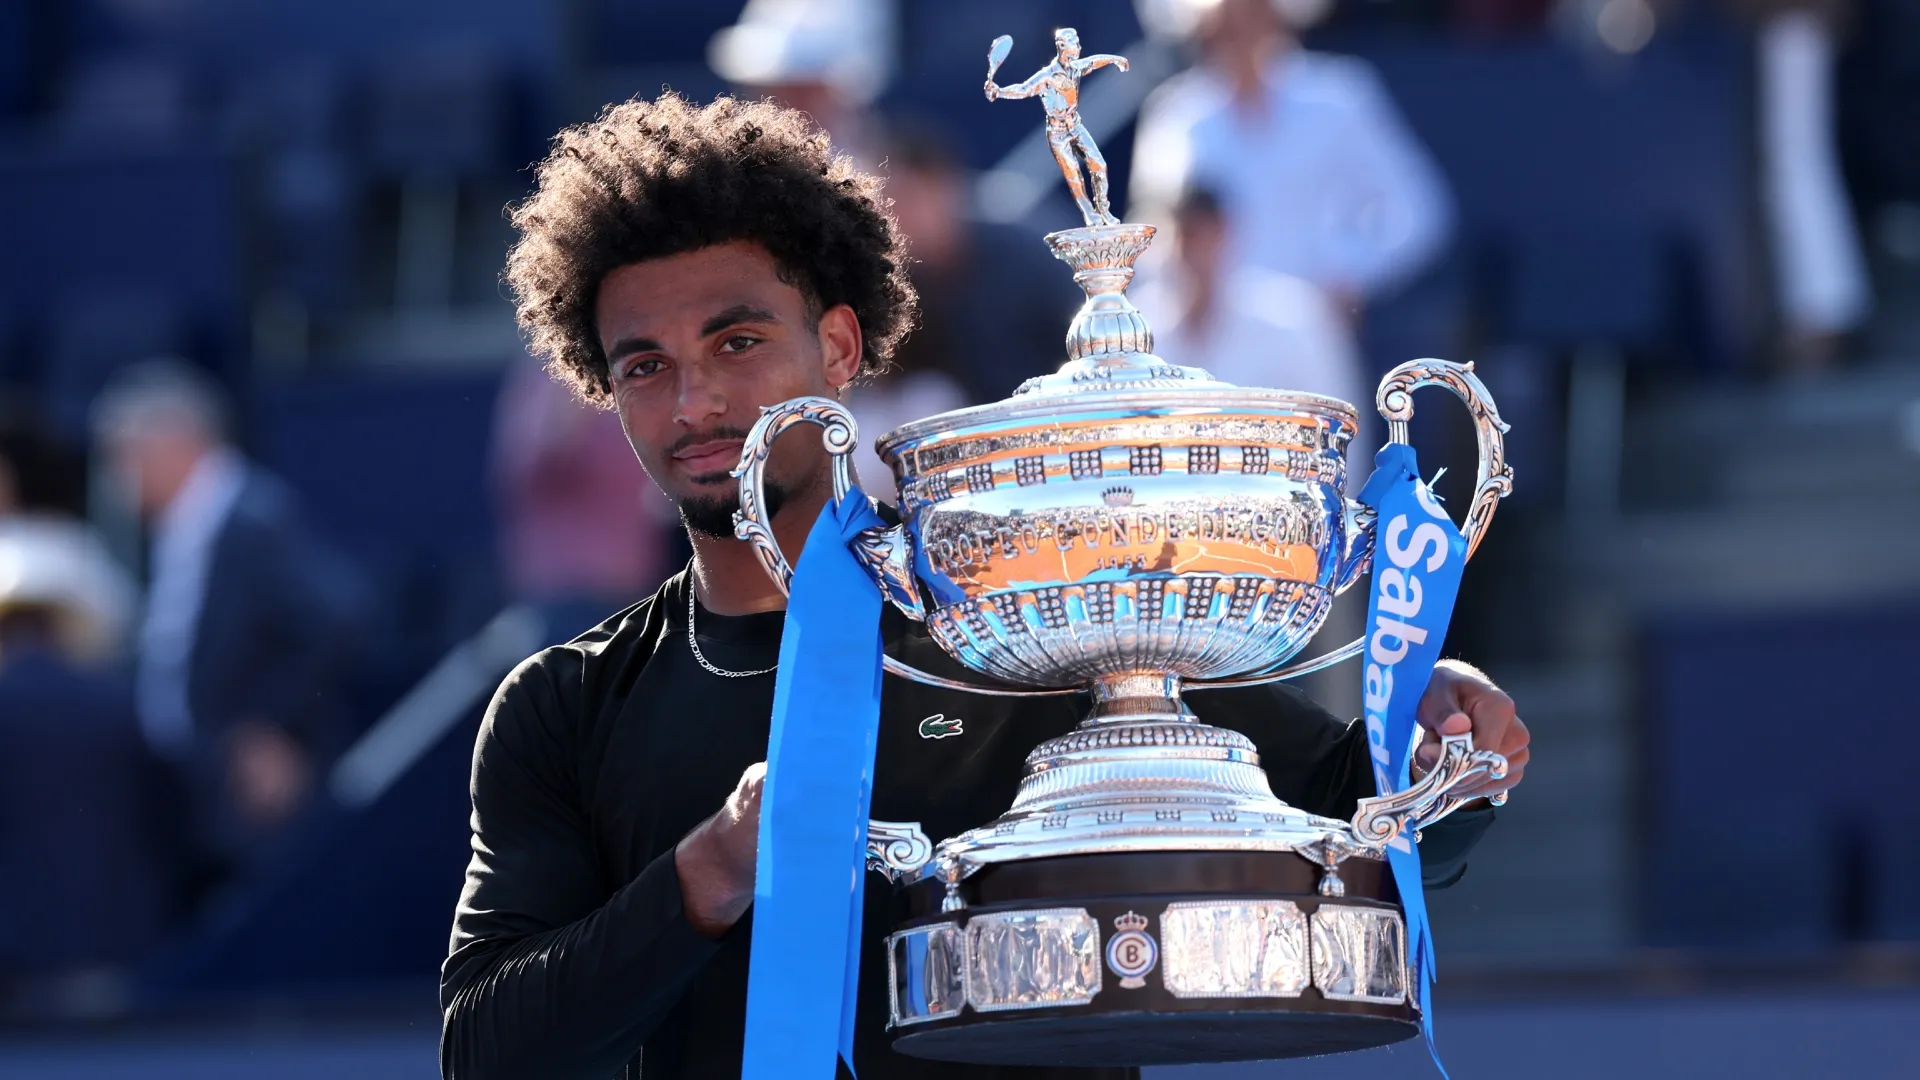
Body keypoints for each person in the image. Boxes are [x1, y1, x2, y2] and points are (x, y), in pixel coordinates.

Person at [441, 92, 1530, 1080]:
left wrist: (1446, 750)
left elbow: (1355, 814)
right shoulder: (562, 707)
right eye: (646, 367)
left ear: (837, 347)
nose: (693, 403)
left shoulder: (1027, 607)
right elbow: (485, 1050)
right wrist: (706, 875)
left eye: (736, 341)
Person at [91, 361, 369, 902]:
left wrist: (275, 727)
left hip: (245, 798)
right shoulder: (187, 523)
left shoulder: (251, 517)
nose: (114, 476)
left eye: (122, 455)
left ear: (172, 443)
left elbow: (337, 617)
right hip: (193, 787)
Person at [1130, 0, 1455, 321]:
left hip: (1317, 333)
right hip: (1212, 344)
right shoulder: (1174, 114)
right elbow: (1151, 233)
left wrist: (1348, 275)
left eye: (1253, 15)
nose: (1240, 31)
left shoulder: (1339, 98)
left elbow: (1420, 212)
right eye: (1225, 22)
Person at [985, 27, 1132, 226]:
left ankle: (1103, 209)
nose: (1079, 47)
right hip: (1058, 133)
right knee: (1073, 174)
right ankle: (1089, 213)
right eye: (1075, 44)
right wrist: (1000, 92)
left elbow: (1095, 61)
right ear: (1062, 46)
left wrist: (1115, 59)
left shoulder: (1075, 68)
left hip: (1076, 125)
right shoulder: (1047, 76)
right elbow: (1023, 89)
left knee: (1099, 164)